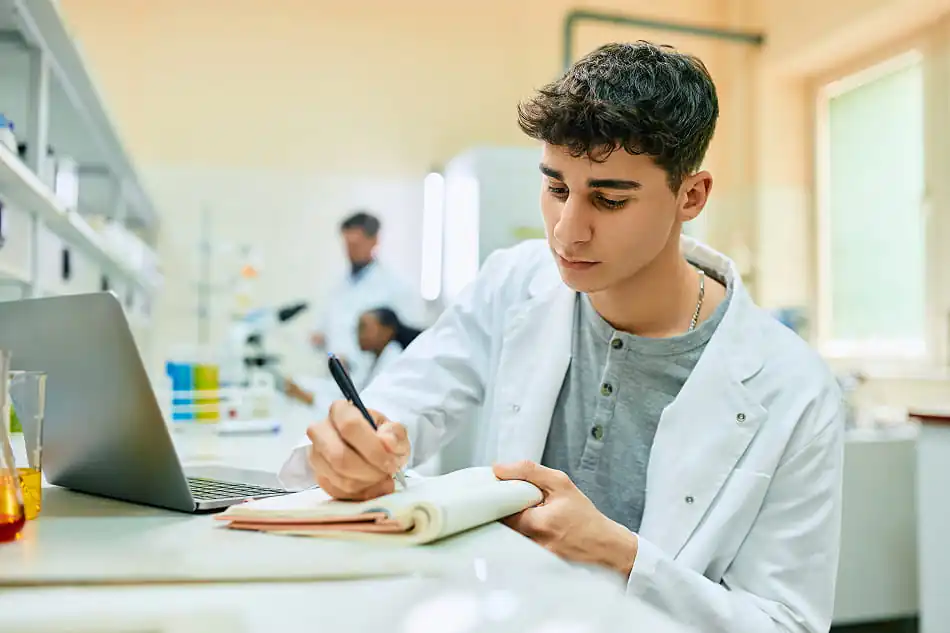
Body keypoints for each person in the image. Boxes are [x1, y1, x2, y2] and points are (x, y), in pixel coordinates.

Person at [281, 41, 843, 633]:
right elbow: (407, 402)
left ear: (691, 196)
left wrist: (622, 557)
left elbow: (788, 623)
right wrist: (359, 451)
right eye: (556, 189)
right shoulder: (514, 282)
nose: (567, 232)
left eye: (609, 199)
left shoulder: (793, 387)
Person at [310, 211, 422, 384]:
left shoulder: (398, 287)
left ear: (374, 240)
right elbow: (323, 331)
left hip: (375, 379)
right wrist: (319, 339)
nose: (350, 251)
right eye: (347, 245)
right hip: (336, 378)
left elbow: (409, 342)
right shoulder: (336, 286)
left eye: (356, 244)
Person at [284, 306, 422, 406]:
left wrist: (309, 398)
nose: (357, 334)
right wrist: (303, 386)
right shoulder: (374, 360)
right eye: (356, 328)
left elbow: (364, 408)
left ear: (387, 330)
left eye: (363, 327)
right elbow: (349, 393)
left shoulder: (393, 359)